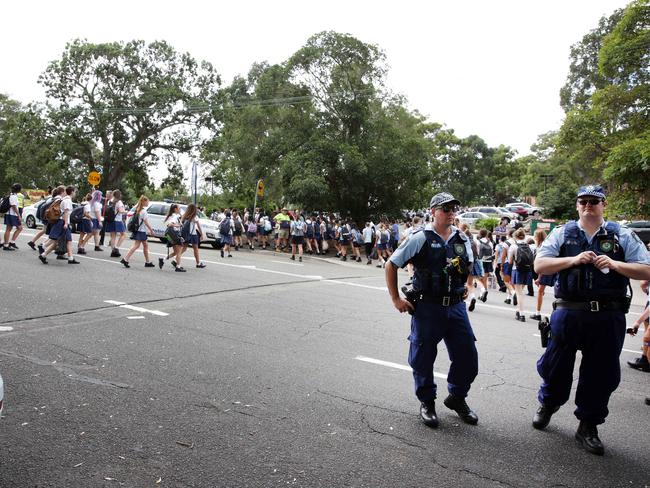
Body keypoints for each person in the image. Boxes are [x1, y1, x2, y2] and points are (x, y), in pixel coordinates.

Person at [532, 184, 650, 455]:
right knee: (556, 366)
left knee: (601, 374)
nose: (588, 206)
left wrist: (615, 264)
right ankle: (548, 404)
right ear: (577, 205)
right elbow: (540, 265)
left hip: (608, 316)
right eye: (583, 201)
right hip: (569, 312)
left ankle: (588, 425)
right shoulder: (562, 233)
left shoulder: (621, 234)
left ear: (603, 205)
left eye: (594, 201)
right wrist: (573, 260)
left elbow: (646, 269)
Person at [385, 192, 479, 428]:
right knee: (423, 357)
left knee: (468, 355)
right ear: (432, 212)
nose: (450, 213)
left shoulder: (462, 238)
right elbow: (391, 264)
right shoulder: (420, 237)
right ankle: (427, 402)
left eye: (453, 209)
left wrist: (467, 285)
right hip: (427, 307)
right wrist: (396, 299)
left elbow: (468, 265)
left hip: (456, 307)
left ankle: (457, 398)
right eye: (445, 209)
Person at [38, 186, 80, 265]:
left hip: (61, 222)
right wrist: (66, 223)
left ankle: (44, 254)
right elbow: (66, 212)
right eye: (74, 192)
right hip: (63, 223)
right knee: (58, 241)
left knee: (62, 241)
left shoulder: (64, 199)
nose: (75, 194)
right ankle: (43, 250)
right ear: (72, 192)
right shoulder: (67, 201)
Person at [120, 195, 156, 268]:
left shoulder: (138, 209)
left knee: (144, 245)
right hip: (141, 231)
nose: (148, 203)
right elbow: (146, 222)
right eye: (147, 201)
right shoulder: (143, 211)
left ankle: (147, 262)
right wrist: (151, 230)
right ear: (143, 202)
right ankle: (125, 259)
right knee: (137, 245)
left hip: (138, 230)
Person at [508, 228, 534, 322]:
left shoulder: (513, 246)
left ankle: (521, 314)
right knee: (521, 292)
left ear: (515, 236)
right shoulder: (530, 246)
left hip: (517, 270)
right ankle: (518, 310)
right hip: (527, 270)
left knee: (519, 294)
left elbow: (510, 261)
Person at [531, 229, 555, 321]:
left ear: (537, 237)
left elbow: (542, 264)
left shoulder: (540, 247)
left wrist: (539, 278)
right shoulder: (549, 244)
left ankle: (538, 313)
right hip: (553, 269)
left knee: (540, 292)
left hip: (545, 271)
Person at [181, 203, 206, 268]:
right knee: (196, 249)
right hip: (193, 234)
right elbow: (198, 226)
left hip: (186, 234)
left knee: (184, 248)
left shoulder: (184, 215)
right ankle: (198, 263)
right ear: (194, 209)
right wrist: (201, 234)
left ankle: (176, 260)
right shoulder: (194, 216)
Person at [3, 183, 24, 250]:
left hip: (11, 214)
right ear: (19, 190)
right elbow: (14, 206)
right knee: (9, 229)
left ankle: (11, 242)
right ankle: (6, 245)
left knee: (19, 228)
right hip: (11, 215)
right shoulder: (13, 196)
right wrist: (19, 215)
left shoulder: (12, 195)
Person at [107, 190, 126, 257]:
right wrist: (125, 211)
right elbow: (121, 211)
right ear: (119, 195)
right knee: (123, 234)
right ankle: (116, 247)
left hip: (111, 219)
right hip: (117, 220)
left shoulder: (110, 201)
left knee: (113, 236)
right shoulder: (119, 202)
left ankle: (113, 251)